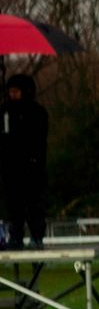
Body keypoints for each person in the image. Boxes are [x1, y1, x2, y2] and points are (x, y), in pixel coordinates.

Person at [1, 73, 49, 250]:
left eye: (16, 91)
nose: (12, 95)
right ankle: (16, 236)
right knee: (14, 207)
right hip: (11, 169)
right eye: (10, 92)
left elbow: (39, 141)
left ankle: (37, 236)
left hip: (32, 169)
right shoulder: (5, 112)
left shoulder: (37, 113)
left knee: (34, 205)